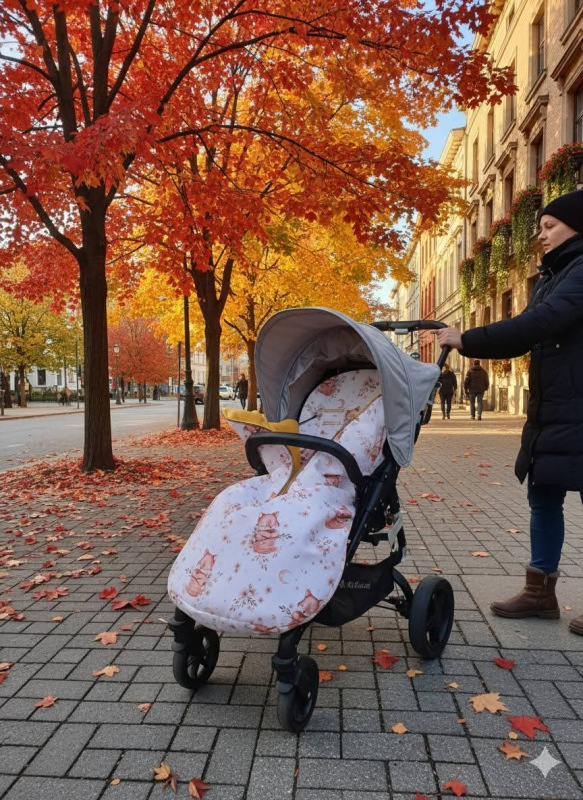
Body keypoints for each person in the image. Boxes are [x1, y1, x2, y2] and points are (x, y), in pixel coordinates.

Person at [432, 188, 583, 636]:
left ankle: (542, 592)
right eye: (539, 228)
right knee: (544, 495)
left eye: (549, 226)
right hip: (552, 408)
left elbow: (540, 324)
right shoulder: (556, 273)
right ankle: (540, 593)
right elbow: (526, 334)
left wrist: (468, 339)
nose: (541, 236)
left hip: (576, 406)